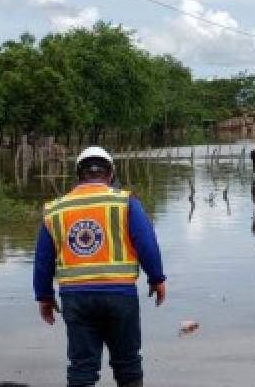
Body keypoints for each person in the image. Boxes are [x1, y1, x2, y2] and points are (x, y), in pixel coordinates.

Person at [33, 146, 166, 387]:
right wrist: (156, 279)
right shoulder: (126, 202)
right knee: (128, 363)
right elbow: (147, 243)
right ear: (111, 173)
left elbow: (42, 260)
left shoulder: (55, 209)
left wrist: (44, 296)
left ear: (78, 174)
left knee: (82, 367)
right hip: (120, 296)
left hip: (75, 298)